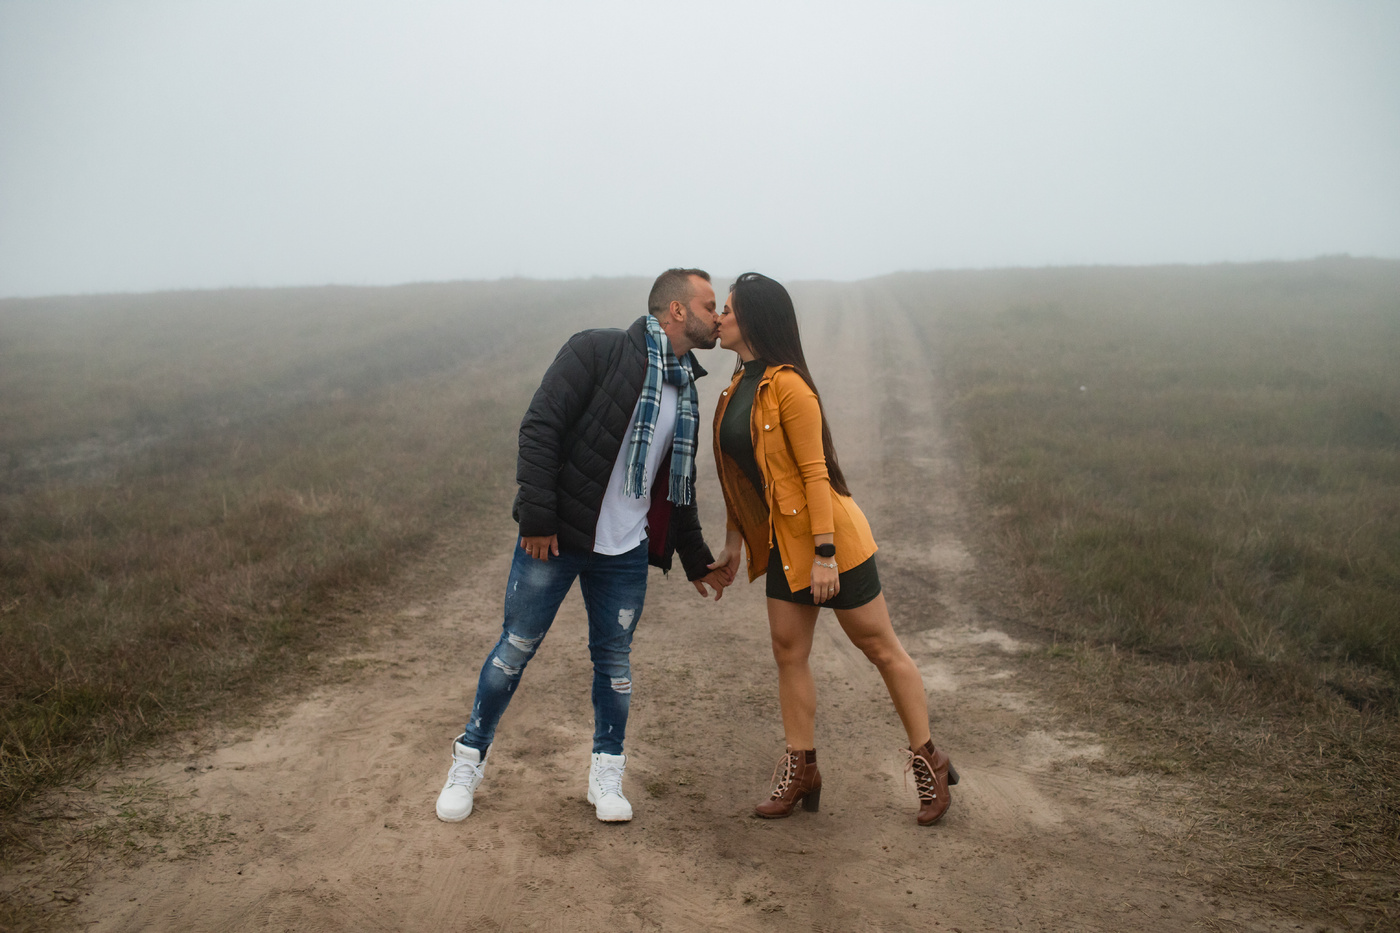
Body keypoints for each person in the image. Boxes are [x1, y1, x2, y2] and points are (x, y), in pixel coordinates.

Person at [436, 268, 732, 824]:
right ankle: (468, 759)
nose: (717, 318)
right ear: (676, 310)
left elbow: (675, 485)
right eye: (709, 305)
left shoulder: (683, 388)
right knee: (515, 648)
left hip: (624, 551)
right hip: (556, 541)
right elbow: (540, 428)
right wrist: (538, 518)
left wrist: (695, 558)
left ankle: (606, 774)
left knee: (614, 663)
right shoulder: (597, 351)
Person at [707, 272, 958, 826]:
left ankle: (930, 761)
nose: (718, 318)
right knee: (788, 652)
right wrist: (734, 542)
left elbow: (815, 473)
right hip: (783, 542)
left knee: (879, 648)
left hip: (832, 539)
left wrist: (825, 555)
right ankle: (803, 770)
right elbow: (741, 480)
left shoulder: (790, 386)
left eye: (727, 309)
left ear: (753, 319)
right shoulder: (736, 386)